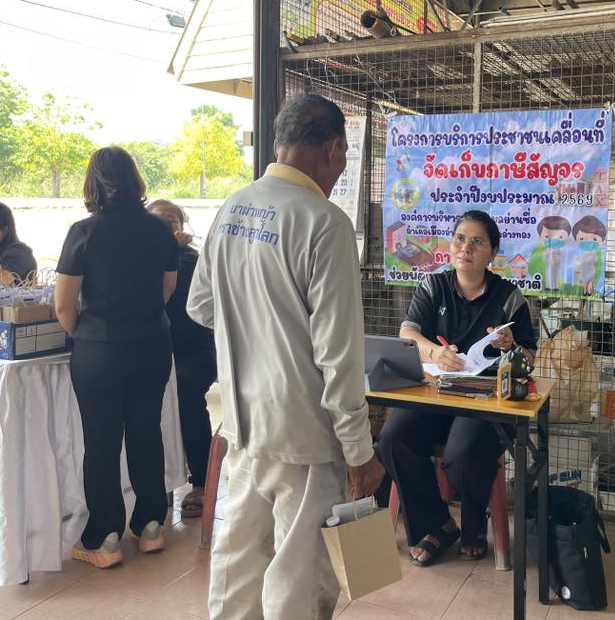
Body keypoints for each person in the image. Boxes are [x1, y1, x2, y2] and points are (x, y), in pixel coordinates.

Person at [187, 93, 385, 620]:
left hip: (241, 425)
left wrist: (256, 334)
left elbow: (200, 306)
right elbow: (339, 355)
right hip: (304, 435)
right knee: (299, 582)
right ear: (334, 149)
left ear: (279, 143)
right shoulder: (325, 222)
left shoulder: (231, 207)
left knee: (237, 569)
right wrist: (359, 451)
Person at [379, 210, 537, 567]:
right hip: (434, 393)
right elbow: (407, 332)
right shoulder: (433, 286)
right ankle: (439, 524)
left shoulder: (509, 297)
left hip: (485, 401)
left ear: (492, 253)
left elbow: (529, 357)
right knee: (393, 438)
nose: (466, 247)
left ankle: (474, 520)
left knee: (463, 453)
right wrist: (435, 352)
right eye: (460, 239)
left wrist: (511, 344)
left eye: (477, 242)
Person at [54, 147, 179, 569]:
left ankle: (104, 538)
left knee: (102, 442)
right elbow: (166, 290)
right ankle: (151, 526)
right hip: (152, 344)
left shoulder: (83, 232)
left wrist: (87, 334)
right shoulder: (160, 229)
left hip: (100, 348)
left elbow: (63, 305)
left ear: (92, 183)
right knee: (146, 432)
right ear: (134, 179)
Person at [147, 199, 216, 519]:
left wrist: (169, 254)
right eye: (157, 222)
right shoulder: (141, 260)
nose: (165, 228)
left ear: (182, 228)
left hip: (194, 352)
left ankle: (201, 481)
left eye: (171, 222)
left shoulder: (190, 259)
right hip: (156, 351)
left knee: (187, 397)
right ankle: (156, 483)